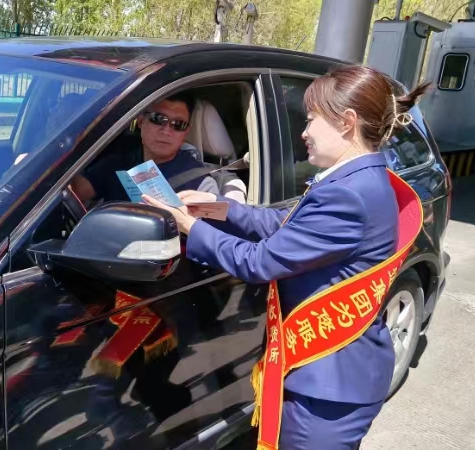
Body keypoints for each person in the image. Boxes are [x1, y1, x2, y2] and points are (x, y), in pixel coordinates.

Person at [143, 65, 428, 449]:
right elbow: (290, 225)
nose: (304, 132)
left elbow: (258, 262)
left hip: (328, 384)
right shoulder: (359, 178)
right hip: (337, 374)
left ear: (346, 122)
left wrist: (189, 227)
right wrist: (220, 207)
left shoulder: (346, 193)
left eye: (311, 119)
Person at [70, 93, 220, 204]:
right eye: (158, 119)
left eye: (178, 124)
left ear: (186, 131)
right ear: (141, 121)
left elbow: (209, 233)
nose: (166, 131)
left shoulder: (200, 183)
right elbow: (73, 193)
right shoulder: (120, 161)